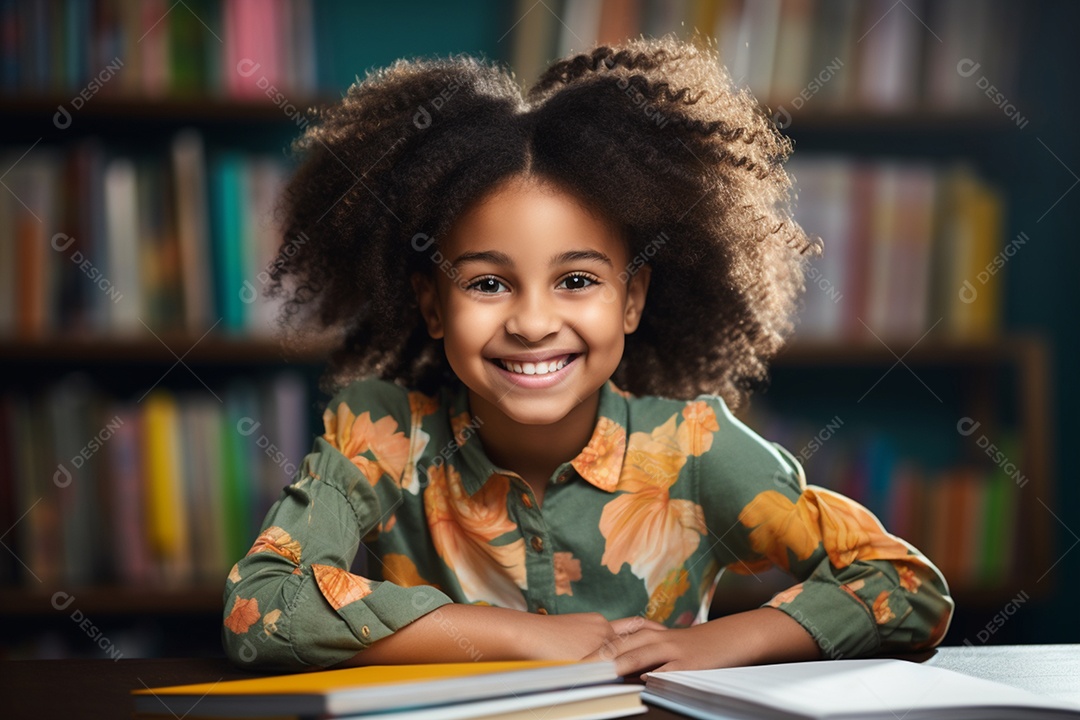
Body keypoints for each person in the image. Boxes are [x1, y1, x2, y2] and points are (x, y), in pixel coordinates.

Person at [222, 34, 953, 677]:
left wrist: (723, 641)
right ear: (431, 304)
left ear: (632, 300)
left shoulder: (695, 450)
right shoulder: (380, 437)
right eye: (486, 282)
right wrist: (516, 638)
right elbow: (261, 607)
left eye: (576, 280)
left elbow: (906, 587)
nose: (534, 322)